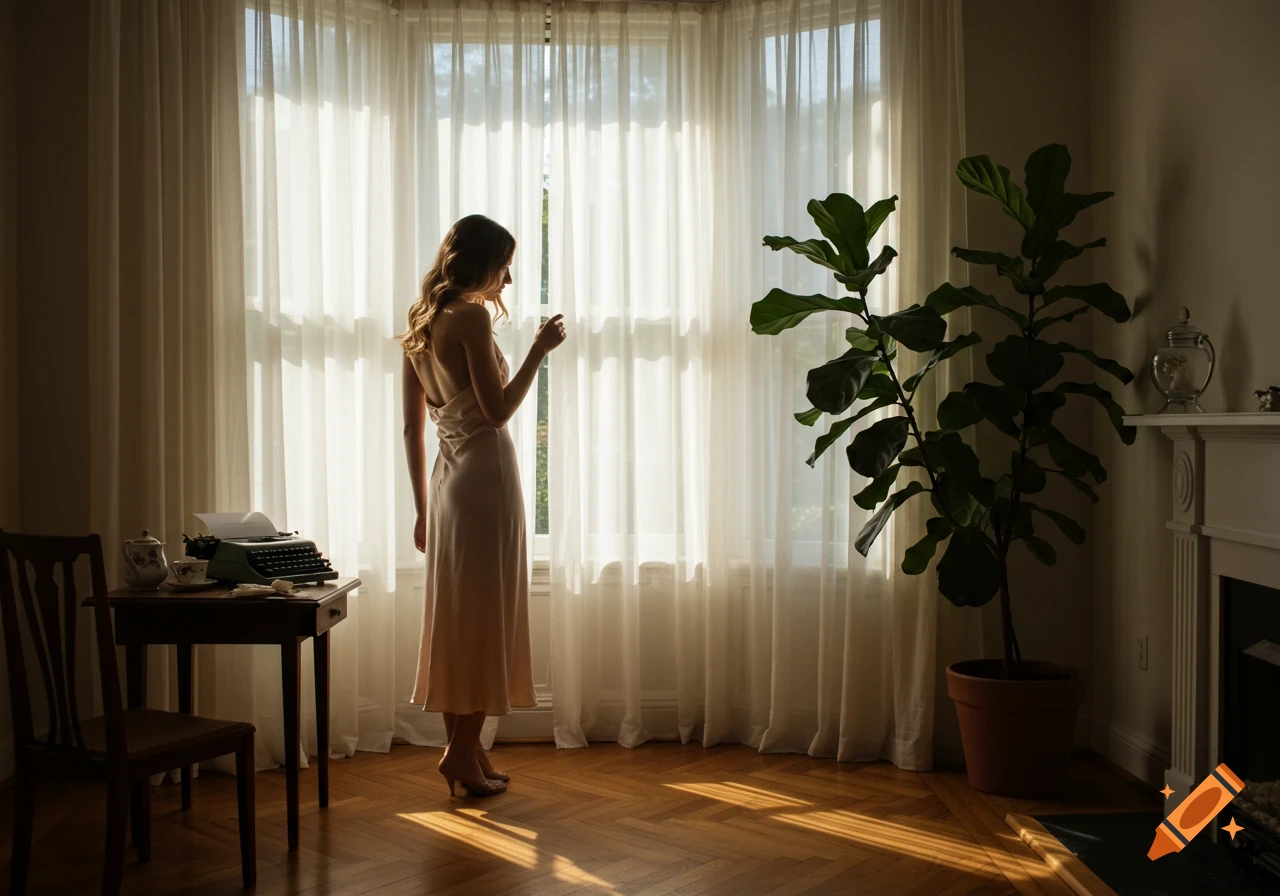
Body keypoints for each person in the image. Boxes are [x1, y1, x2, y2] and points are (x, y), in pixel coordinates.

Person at [400, 214, 566, 797]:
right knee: (485, 616)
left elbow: (410, 429)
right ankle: (460, 755)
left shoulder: (421, 323)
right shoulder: (469, 316)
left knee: (458, 618)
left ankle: (468, 756)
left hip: (448, 483)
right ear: (481, 262)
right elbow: (496, 413)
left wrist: (422, 508)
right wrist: (538, 352)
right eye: (505, 266)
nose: (510, 281)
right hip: (487, 478)